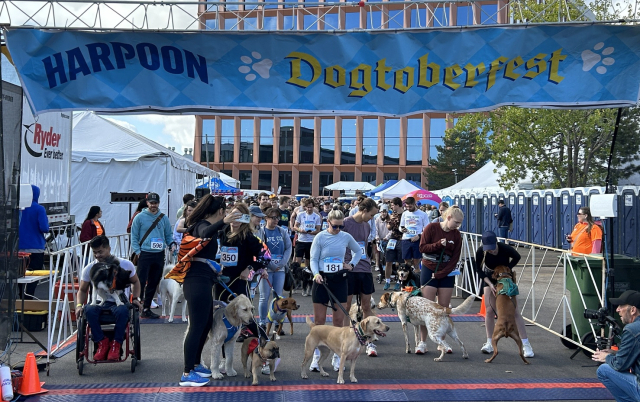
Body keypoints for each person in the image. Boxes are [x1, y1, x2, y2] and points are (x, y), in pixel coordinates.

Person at [179, 194, 239, 387]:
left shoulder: (204, 225)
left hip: (205, 279)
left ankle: (195, 364)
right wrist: (224, 221)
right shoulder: (200, 224)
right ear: (221, 211)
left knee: (205, 324)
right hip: (195, 281)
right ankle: (187, 372)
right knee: (196, 326)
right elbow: (205, 233)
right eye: (225, 211)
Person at [308, 209, 362, 373]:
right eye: (335, 226)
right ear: (328, 223)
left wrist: (351, 264)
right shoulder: (320, 237)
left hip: (339, 280)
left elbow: (358, 250)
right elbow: (313, 259)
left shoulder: (345, 236)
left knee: (339, 322)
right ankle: (317, 357)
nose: (338, 229)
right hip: (322, 280)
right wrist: (316, 274)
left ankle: (338, 356)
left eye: (341, 226)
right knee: (319, 322)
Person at [76, 236, 143, 362]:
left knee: (123, 310)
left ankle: (116, 345)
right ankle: (102, 342)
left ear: (109, 249)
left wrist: (135, 298)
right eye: (95, 252)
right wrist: (79, 305)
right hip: (100, 302)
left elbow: (136, 282)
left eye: (100, 252)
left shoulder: (125, 264)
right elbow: (82, 290)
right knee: (88, 310)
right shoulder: (90, 268)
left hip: (118, 301)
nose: (97, 255)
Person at [475, 230, 534, 358]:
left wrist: (508, 268)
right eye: (488, 249)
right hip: (490, 277)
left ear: (496, 242)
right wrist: (490, 285)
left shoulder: (505, 248)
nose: (491, 251)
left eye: (492, 248)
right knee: (489, 310)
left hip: (506, 278)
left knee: (515, 311)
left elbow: (517, 257)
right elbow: (478, 270)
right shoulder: (481, 252)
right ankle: (489, 342)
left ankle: (526, 344)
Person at [217, 203, 270, 343]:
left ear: (245, 219)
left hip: (238, 282)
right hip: (220, 281)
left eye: (239, 217)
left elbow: (266, 256)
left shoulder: (248, 237)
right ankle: (223, 360)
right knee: (220, 320)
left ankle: (267, 343)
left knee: (248, 319)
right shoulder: (221, 232)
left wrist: (250, 268)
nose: (235, 220)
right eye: (233, 216)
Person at [415, 206, 464, 354]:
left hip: (445, 272)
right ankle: (422, 342)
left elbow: (455, 259)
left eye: (460, 223)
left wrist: (442, 273)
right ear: (448, 217)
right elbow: (422, 248)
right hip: (429, 267)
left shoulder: (457, 236)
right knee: (427, 309)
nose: (457, 226)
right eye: (456, 222)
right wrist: (438, 245)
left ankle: (441, 342)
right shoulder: (431, 228)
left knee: (443, 309)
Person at [258, 207, 293, 374]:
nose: (275, 220)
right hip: (267, 268)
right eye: (272, 217)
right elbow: (260, 250)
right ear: (266, 218)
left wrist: (283, 263)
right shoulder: (261, 231)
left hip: (280, 268)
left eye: (277, 217)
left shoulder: (282, 231)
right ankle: (262, 322)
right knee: (264, 297)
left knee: (278, 298)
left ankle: (278, 324)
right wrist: (270, 264)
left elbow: (288, 248)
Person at [343, 198, 379, 357]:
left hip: (364, 268)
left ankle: (369, 341)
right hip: (349, 268)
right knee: (346, 306)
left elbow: (365, 245)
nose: (372, 218)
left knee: (366, 306)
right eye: (371, 215)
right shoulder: (345, 222)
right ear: (364, 210)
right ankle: (345, 338)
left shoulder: (367, 225)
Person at [130, 192, 175, 319]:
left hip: (159, 253)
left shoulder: (163, 218)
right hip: (144, 253)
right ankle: (136, 305)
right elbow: (134, 236)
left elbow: (168, 235)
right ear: (147, 203)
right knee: (140, 281)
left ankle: (146, 308)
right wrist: (138, 251)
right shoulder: (139, 217)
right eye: (151, 203)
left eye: (155, 203)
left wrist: (171, 244)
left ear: (158, 203)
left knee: (154, 282)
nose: (153, 205)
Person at [592, 290, 640, 402]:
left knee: (603, 370)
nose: (617, 309)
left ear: (632, 310)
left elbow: (620, 365)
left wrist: (606, 357)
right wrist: (614, 353)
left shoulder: (632, 329)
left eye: (621, 306)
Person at [18, 185, 50, 299]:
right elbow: (44, 228)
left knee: (20, 275)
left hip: (19, 249)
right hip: (35, 247)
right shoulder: (39, 209)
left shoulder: (18, 208)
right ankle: (29, 298)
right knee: (34, 275)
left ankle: (21, 296)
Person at [400, 197, 430, 270]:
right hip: (406, 239)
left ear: (414, 204)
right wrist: (402, 229)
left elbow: (427, 229)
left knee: (416, 261)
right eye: (407, 207)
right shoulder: (405, 213)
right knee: (407, 262)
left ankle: (417, 278)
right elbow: (401, 226)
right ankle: (408, 278)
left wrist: (419, 236)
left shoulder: (423, 214)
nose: (408, 208)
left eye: (410, 206)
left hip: (417, 240)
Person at [384, 197, 404, 291]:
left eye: (392, 205)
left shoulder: (405, 214)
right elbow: (388, 227)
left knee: (400, 262)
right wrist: (390, 222)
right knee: (388, 261)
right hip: (392, 239)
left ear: (397, 205)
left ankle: (399, 282)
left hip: (402, 239)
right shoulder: (393, 215)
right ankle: (387, 281)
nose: (392, 207)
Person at [293, 199, 322, 266]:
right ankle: (297, 273)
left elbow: (318, 230)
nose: (309, 209)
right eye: (308, 207)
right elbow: (295, 226)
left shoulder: (316, 216)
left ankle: (308, 273)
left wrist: (313, 232)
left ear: (313, 207)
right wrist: (301, 230)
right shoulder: (300, 215)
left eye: (311, 207)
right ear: (305, 207)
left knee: (308, 259)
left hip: (310, 241)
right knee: (298, 259)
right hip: (301, 240)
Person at [374, 204, 390, 272]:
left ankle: (386, 266)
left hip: (387, 239)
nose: (384, 214)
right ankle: (377, 265)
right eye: (382, 212)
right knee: (378, 252)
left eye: (385, 212)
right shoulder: (377, 220)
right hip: (380, 239)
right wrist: (377, 237)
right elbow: (375, 229)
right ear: (380, 212)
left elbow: (391, 230)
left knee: (387, 253)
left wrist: (387, 237)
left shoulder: (389, 220)